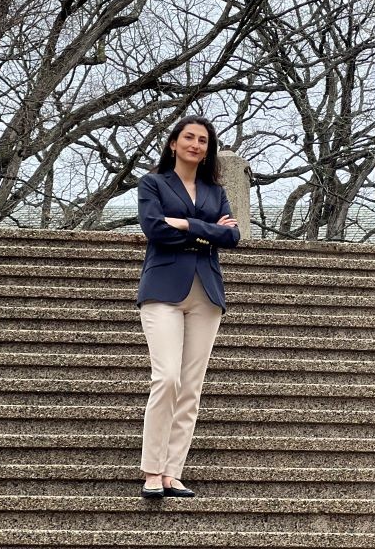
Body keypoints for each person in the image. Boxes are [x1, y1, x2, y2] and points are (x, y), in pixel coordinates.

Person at [136, 116, 240, 499]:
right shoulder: (153, 183)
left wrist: (184, 224)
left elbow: (232, 235)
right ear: (173, 144)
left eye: (203, 140)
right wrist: (203, 229)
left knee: (191, 387)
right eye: (189, 138)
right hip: (163, 288)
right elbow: (154, 228)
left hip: (206, 294)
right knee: (167, 378)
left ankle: (171, 471)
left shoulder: (215, 190)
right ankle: (151, 469)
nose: (196, 145)